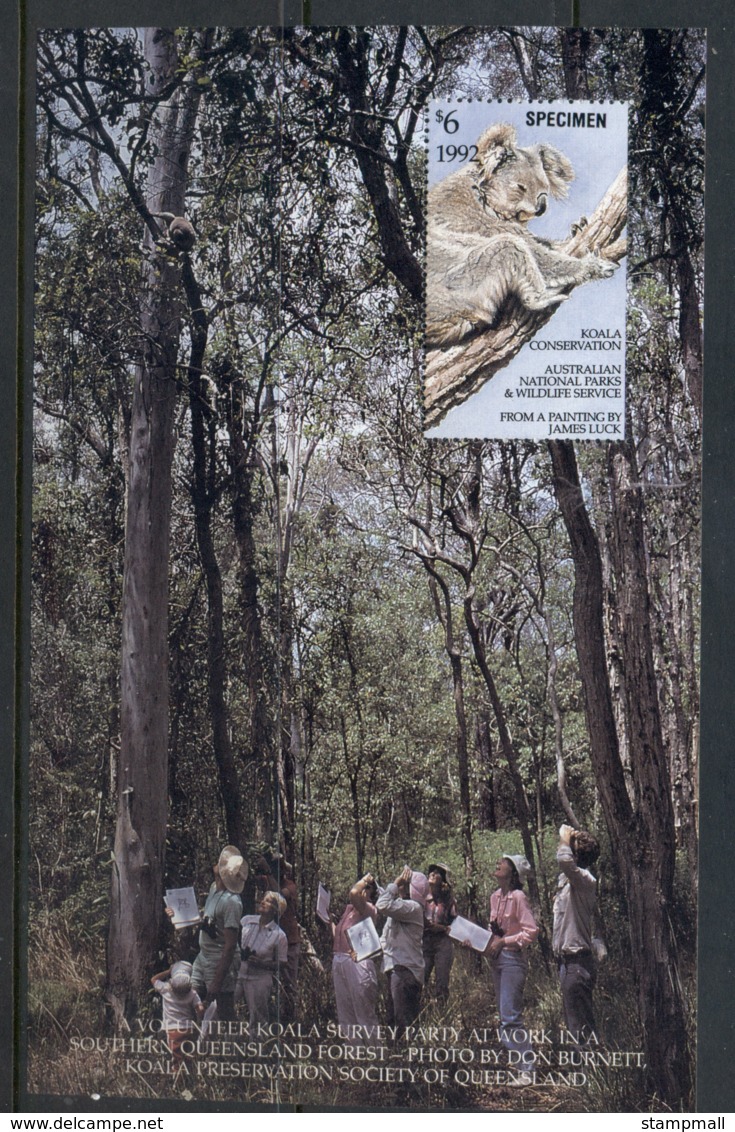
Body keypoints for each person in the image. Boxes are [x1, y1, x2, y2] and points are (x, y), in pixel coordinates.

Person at [486, 854, 538, 1072]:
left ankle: (527, 1069)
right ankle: (520, 1066)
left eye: (504, 862)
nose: (498, 863)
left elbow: (531, 932)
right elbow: (493, 929)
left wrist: (504, 942)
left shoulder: (519, 897)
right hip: (497, 960)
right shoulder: (495, 897)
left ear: (513, 872)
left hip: (512, 960)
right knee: (504, 1016)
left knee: (511, 1017)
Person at [553, 824, 601, 1045]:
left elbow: (564, 861)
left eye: (570, 848)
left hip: (578, 963)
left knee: (581, 1029)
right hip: (567, 964)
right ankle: (583, 1074)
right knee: (575, 1026)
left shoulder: (586, 881)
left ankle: (588, 1076)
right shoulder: (570, 884)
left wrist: (565, 839)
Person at [191, 845, 248, 1022]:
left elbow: (230, 945)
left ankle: (232, 1045)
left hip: (219, 959)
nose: (217, 863)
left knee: (222, 1008)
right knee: (193, 997)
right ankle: (200, 1041)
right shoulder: (214, 888)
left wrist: (217, 980)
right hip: (204, 955)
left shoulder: (232, 902)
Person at [377, 865, 429, 1030]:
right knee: (393, 1020)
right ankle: (399, 1053)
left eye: (404, 885)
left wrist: (394, 883)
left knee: (403, 1024)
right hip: (398, 970)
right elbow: (384, 939)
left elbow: (382, 905)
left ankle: (407, 1054)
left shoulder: (413, 907)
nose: (400, 887)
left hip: (406, 971)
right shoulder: (401, 910)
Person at [252, 854, 301, 1018]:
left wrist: (268, 873)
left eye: (277, 868)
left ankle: (290, 1017)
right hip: (270, 940)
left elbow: (278, 897)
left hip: (290, 940)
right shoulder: (268, 881)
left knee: (288, 981)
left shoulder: (290, 886)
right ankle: (271, 1014)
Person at [332, 874, 380, 1035]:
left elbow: (353, 893)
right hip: (339, 959)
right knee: (345, 1011)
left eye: (367, 888)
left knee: (363, 1012)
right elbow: (341, 935)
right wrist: (329, 923)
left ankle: (374, 1052)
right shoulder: (349, 910)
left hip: (357, 962)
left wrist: (366, 880)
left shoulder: (367, 908)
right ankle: (354, 1052)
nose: (362, 890)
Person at [236, 891, 288, 1027]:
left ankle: (258, 1045)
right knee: (218, 1007)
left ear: (276, 911)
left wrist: (262, 964)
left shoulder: (279, 935)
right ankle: (203, 1039)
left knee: (258, 1019)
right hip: (237, 974)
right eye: (263, 900)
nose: (263, 902)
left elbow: (282, 963)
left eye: (269, 901)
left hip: (259, 980)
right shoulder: (246, 921)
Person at [150, 961, 204, 1064]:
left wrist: (168, 971)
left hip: (173, 1029)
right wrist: (200, 1016)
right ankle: (188, 1077)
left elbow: (153, 979)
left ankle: (177, 1078)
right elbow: (200, 1009)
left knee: (177, 1060)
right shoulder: (192, 993)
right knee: (189, 1057)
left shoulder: (165, 989)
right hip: (189, 1028)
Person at [422, 863, 457, 1005]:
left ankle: (442, 1011)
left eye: (437, 873)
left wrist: (441, 928)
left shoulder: (449, 900)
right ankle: (420, 1010)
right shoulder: (421, 897)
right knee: (420, 977)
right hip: (424, 941)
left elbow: (455, 924)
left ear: (443, 879)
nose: (433, 874)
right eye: (432, 871)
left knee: (442, 980)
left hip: (443, 943)